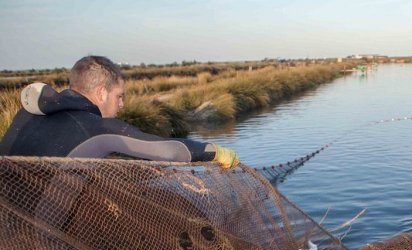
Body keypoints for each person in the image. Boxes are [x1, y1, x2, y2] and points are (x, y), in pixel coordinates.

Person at [0, 56, 239, 168]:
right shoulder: (100, 127)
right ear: (102, 93)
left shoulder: (29, 114)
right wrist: (214, 151)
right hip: (33, 239)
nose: (122, 104)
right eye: (119, 95)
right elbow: (170, 150)